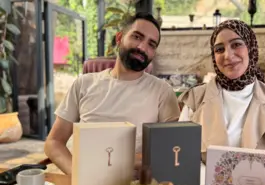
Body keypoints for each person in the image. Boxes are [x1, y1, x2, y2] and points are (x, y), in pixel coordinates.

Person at [44, 12, 181, 175]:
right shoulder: (84, 84)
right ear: (119, 38)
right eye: (137, 37)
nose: (142, 47)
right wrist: (78, 177)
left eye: (151, 44)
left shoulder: (162, 92)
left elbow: (173, 151)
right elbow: (53, 142)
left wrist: (126, 162)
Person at [178, 20, 265, 175]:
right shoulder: (195, 100)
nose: (228, 55)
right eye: (219, 49)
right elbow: (180, 156)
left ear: (251, 48)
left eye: (236, 44)